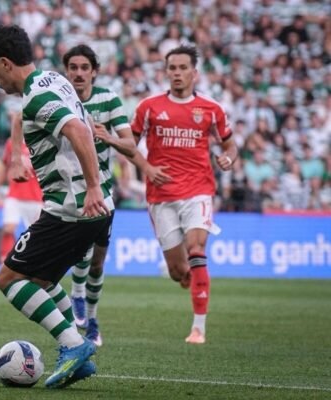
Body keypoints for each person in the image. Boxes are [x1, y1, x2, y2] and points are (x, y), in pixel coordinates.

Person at [0, 25, 112, 389]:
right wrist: (17, 157)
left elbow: (78, 131)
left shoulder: (36, 96)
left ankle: (73, 345)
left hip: (73, 208)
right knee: (41, 280)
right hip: (89, 206)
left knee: (8, 279)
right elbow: (40, 118)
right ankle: (77, 354)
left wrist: (92, 186)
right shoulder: (50, 80)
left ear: (6, 63)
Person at [62, 44, 171, 347]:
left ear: (94, 72)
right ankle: (77, 294)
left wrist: (106, 136)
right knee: (83, 252)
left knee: (97, 262)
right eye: (73, 67)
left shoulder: (108, 99)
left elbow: (130, 144)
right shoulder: (59, 99)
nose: (79, 73)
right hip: (71, 189)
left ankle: (92, 319)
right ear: (66, 71)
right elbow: (22, 119)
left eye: (85, 68)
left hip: (103, 189)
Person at [131, 45, 238, 344]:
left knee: (197, 248)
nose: (177, 73)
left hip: (198, 190)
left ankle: (198, 328)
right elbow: (129, 144)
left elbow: (230, 145)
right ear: (166, 72)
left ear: (194, 72)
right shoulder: (149, 107)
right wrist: (146, 167)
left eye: (182, 68)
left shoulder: (211, 109)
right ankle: (190, 278)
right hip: (160, 195)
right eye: (172, 68)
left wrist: (228, 158)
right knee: (178, 271)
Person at [0, 113, 43, 263]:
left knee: (36, 234)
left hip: (36, 196)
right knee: (8, 228)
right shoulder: (11, 143)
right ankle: (4, 260)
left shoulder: (40, 143)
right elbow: (6, 166)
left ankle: (33, 261)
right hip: (15, 194)